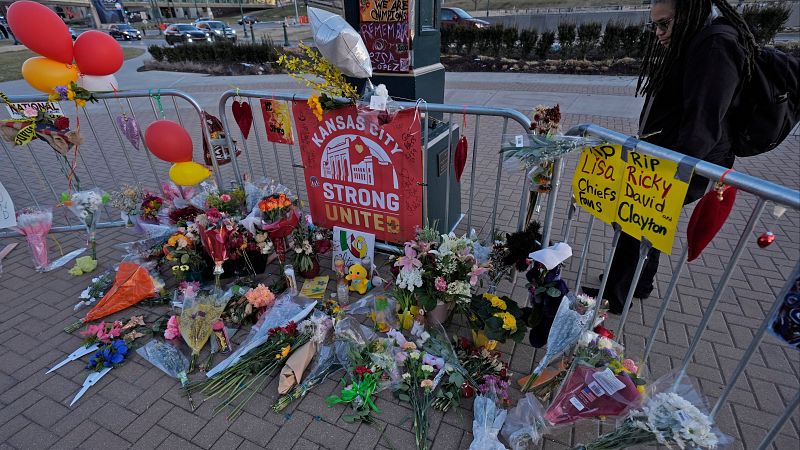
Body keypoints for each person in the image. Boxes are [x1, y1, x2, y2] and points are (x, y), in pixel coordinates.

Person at [582, 0, 759, 314]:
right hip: (670, 155)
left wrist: (667, 169)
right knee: (647, 220)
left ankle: (615, 296)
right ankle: (638, 281)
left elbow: (703, 120)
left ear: (690, 14)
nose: (659, 33)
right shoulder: (701, 40)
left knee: (635, 218)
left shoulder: (716, 45)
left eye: (665, 24)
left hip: (685, 161)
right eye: (655, 26)